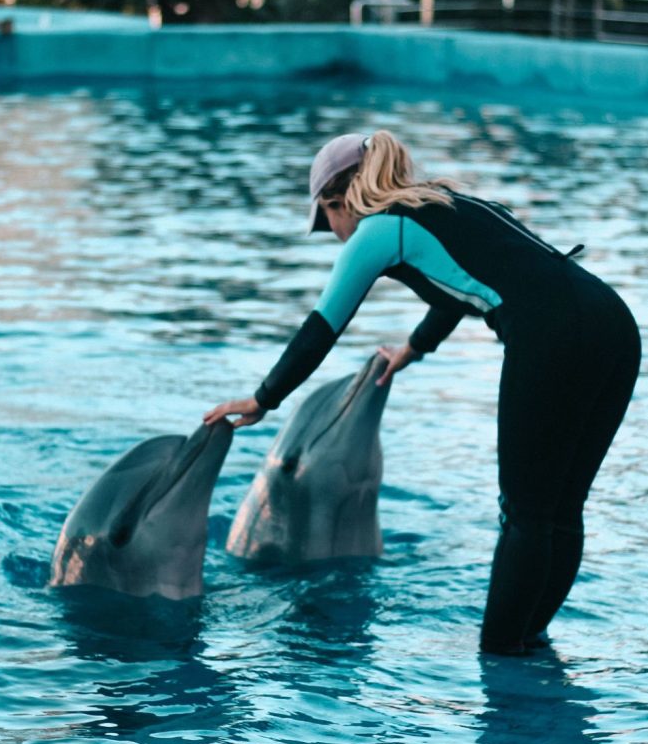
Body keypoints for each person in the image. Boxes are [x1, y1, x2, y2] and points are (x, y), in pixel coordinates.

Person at [204, 130, 641, 654]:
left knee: (525, 514)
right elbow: (463, 287)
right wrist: (413, 348)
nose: (336, 235)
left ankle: (502, 656)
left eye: (328, 222)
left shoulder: (377, 231)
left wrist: (262, 399)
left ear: (337, 200)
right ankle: (529, 640)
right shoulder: (445, 201)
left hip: (551, 338)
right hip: (614, 325)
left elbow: (322, 327)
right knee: (560, 508)